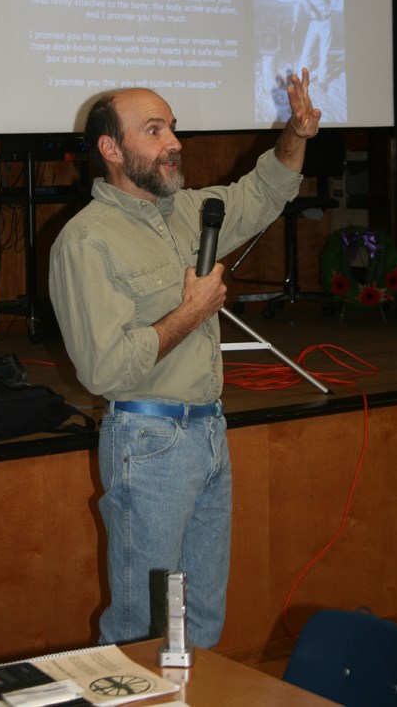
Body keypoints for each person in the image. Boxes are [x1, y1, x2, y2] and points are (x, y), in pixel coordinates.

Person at [49, 70, 320, 649]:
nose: (174, 141)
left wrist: (296, 135)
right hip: (148, 442)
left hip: (208, 434)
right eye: (154, 130)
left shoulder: (190, 211)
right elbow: (103, 370)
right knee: (143, 629)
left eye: (172, 126)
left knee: (198, 624)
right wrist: (191, 313)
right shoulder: (85, 241)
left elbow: (265, 190)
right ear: (112, 150)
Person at [292, 0, 338, 90]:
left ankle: (323, 80)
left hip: (326, 21)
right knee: (306, 51)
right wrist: (295, 19)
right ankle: (301, 80)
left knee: (324, 52)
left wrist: (331, 7)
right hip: (313, 22)